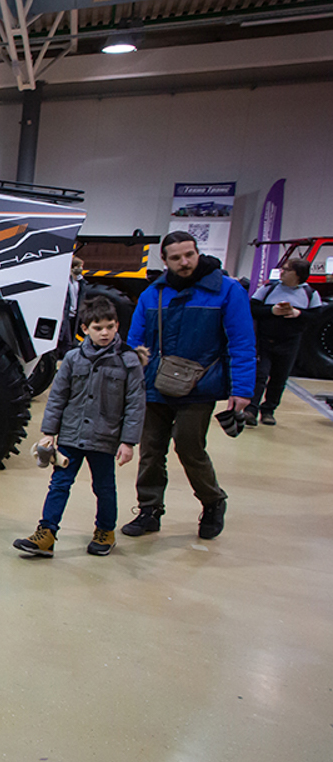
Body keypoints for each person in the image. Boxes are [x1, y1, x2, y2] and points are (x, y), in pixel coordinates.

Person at [121, 230, 254, 540]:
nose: (184, 262)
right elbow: (134, 343)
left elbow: (242, 342)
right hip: (154, 384)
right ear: (164, 260)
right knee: (151, 450)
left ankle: (212, 502)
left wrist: (242, 389)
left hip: (200, 385)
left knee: (190, 447)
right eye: (176, 257)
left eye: (189, 254)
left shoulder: (228, 291)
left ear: (198, 253)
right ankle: (149, 510)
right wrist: (128, 382)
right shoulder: (152, 294)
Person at [14, 297, 146, 558]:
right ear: (85, 329)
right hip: (71, 437)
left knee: (104, 487)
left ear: (118, 325)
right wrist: (49, 432)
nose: (105, 332)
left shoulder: (128, 361)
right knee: (59, 484)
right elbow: (58, 397)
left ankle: (105, 531)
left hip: (106, 439)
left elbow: (135, 404)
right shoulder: (73, 358)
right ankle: (46, 534)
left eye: (110, 326)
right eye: (98, 328)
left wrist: (128, 442)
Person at [246, 256, 323, 426]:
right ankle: (250, 410)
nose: (282, 272)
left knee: (279, 378)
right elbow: (252, 308)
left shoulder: (310, 294)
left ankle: (268, 411)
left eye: (287, 270)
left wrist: (299, 314)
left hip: (290, 343)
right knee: (260, 375)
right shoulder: (269, 288)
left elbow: (316, 317)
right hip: (264, 340)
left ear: (298, 274)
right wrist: (272, 311)